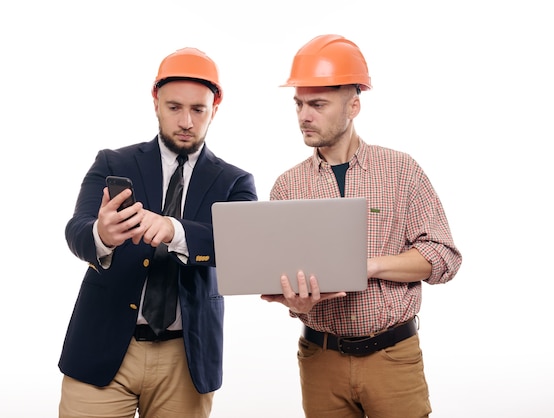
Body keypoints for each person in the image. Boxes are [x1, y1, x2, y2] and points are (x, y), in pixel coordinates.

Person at [261, 34, 462, 418]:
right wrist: (295, 303)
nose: (304, 115)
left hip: (392, 358)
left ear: (354, 105)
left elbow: (444, 257)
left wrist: (369, 266)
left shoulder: (401, 170)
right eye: (299, 104)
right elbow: (284, 273)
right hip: (320, 360)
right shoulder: (287, 186)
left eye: (317, 105)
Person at [58, 47, 257, 418]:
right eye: (174, 107)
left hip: (186, 358)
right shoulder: (111, 162)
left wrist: (174, 229)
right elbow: (77, 231)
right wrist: (101, 234)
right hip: (102, 348)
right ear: (155, 101)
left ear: (216, 106)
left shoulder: (234, 182)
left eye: (198, 109)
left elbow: (240, 248)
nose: (186, 121)